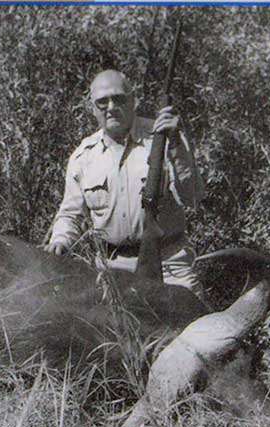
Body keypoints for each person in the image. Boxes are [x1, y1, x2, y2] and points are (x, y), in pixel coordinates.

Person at [44, 70, 205, 295]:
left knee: (195, 323)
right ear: (92, 108)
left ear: (133, 101)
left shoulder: (165, 138)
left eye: (118, 98)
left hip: (169, 264)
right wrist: (60, 241)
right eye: (102, 102)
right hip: (111, 269)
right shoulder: (83, 156)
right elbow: (71, 214)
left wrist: (177, 143)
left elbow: (193, 198)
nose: (111, 107)